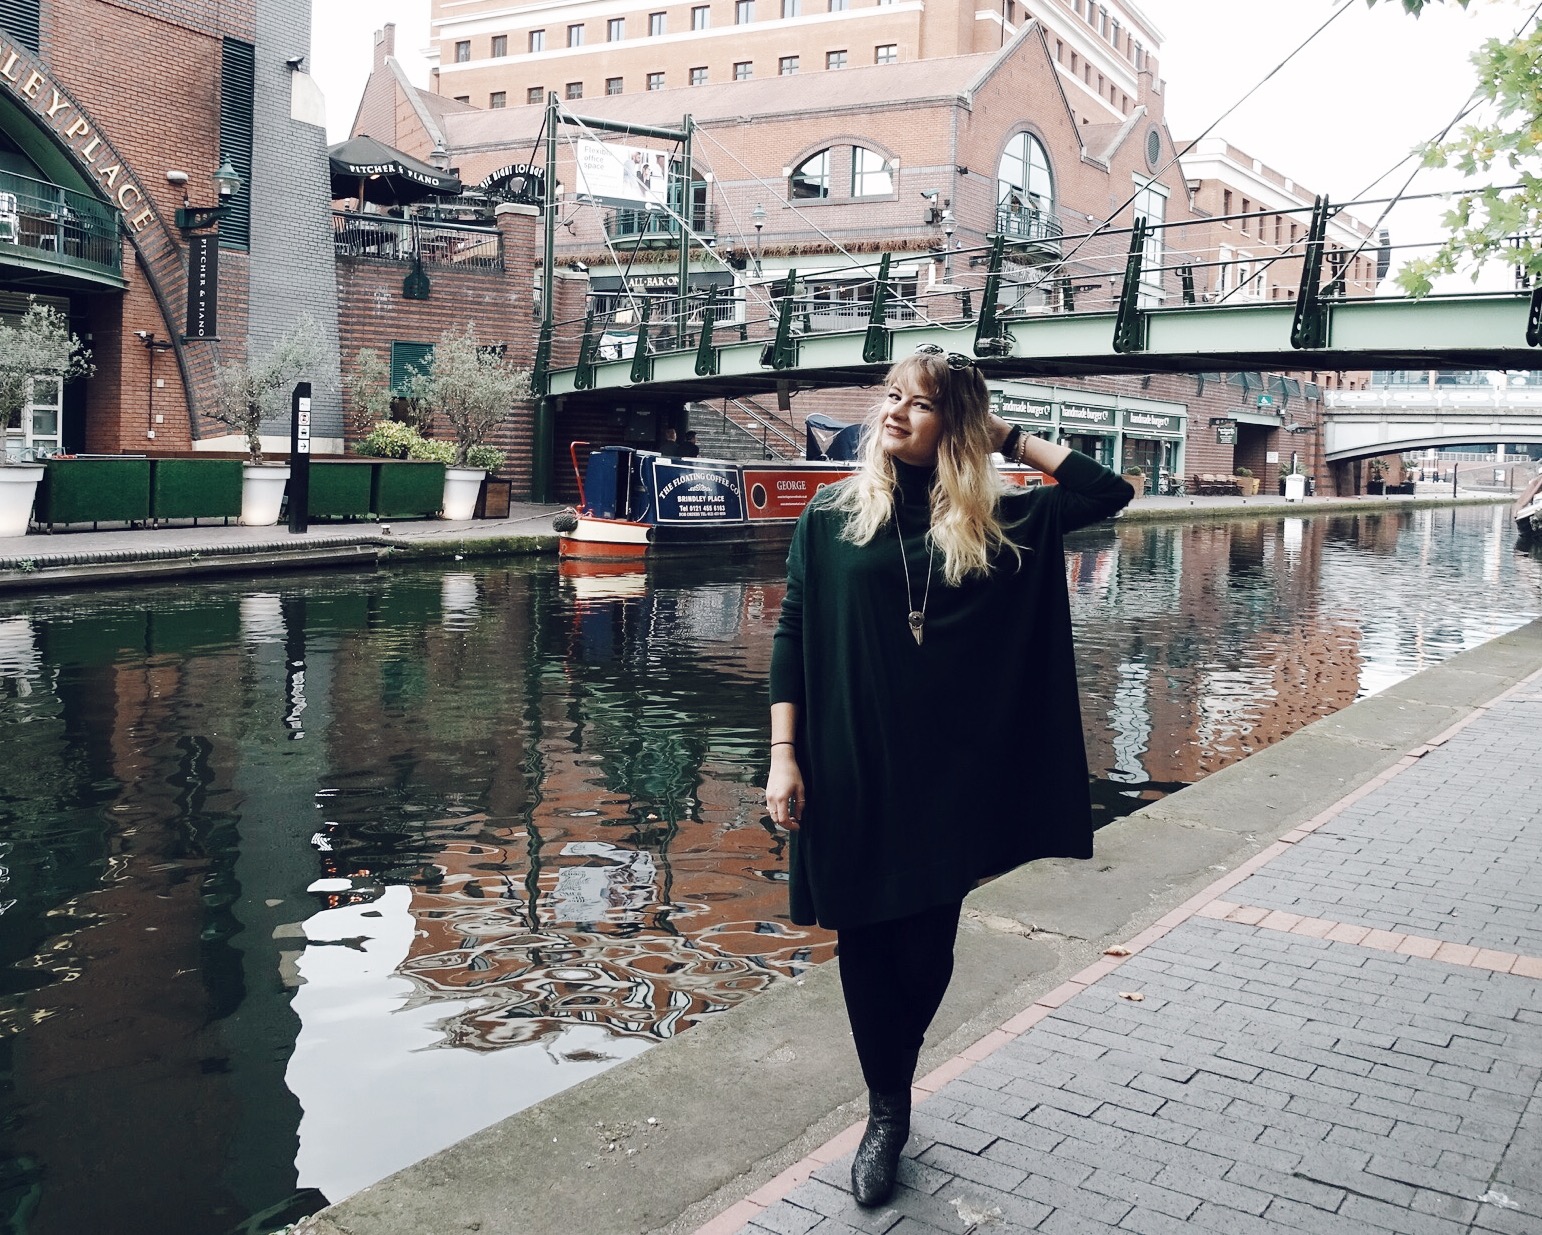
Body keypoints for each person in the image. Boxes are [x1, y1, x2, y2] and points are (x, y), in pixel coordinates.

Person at [764, 344, 1133, 1207]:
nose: (895, 411)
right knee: (864, 943)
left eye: (921, 403)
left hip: (946, 780)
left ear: (955, 424)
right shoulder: (830, 515)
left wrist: (1002, 433)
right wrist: (783, 753)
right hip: (849, 767)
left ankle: (895, 1075)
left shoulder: (998, 522)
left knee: (928, 951)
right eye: (891, 394)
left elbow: (1105, 492)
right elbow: (793, 631)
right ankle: (886, 1110)